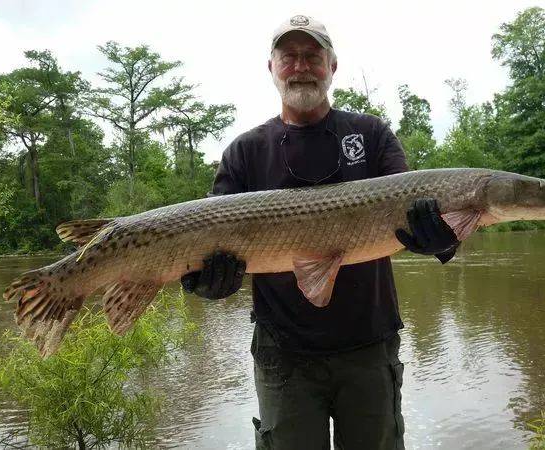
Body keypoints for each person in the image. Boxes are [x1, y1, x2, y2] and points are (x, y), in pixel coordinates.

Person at [180, 14, 459, 450]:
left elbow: (410, 212)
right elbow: (211, 246)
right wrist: (211, 284)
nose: (300, 65)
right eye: (288, 56)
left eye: (312, 55)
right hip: (282, 352)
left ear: (332, 66)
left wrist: (441, 238)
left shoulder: (371, 134)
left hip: (368, 344)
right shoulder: (245, 152)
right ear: (271, 68)